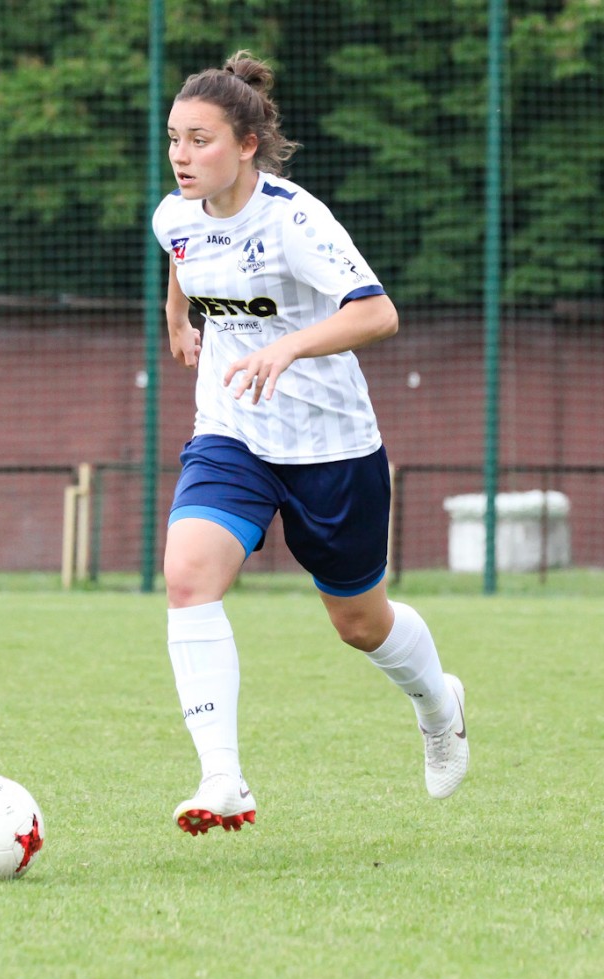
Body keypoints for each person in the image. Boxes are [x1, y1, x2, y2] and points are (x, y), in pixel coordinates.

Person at [152, 51, 469, 836]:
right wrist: (178, 319)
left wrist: (289, 346)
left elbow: (378, 313)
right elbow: (183, 257)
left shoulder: (295, 220)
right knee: (187, 576)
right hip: (232, 431)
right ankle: (222, 776)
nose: (182, 156)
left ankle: (439, 704)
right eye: (174, 139)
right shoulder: (175, 215)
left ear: (246, 144)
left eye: (199, 140)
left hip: (331, 445)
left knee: (359, 623)